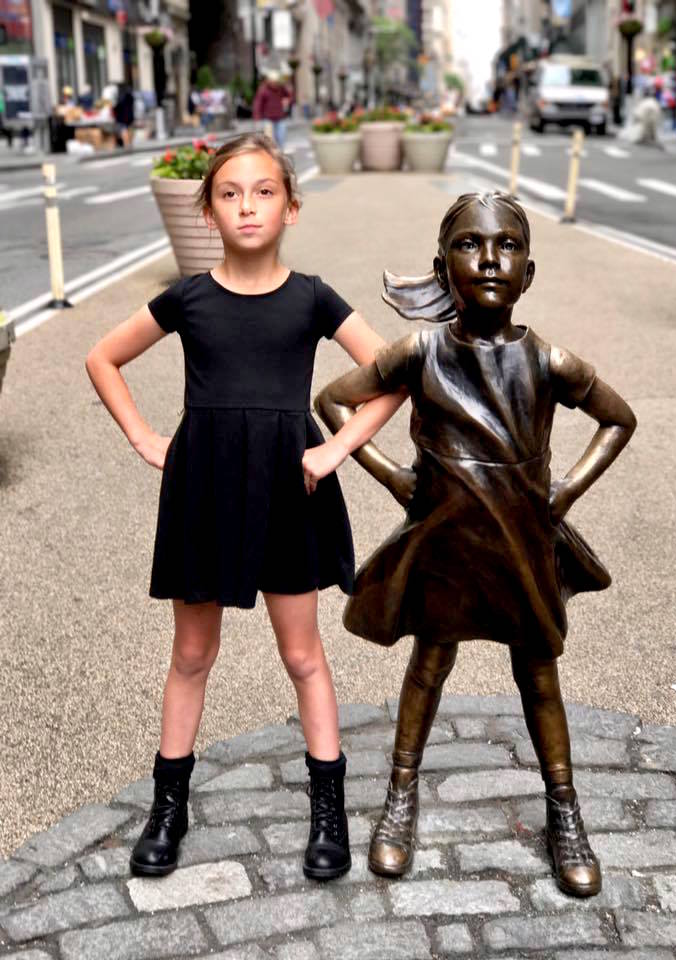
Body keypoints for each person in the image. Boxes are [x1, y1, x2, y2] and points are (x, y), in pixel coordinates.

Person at [85, 133, 402, 882]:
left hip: (290, 493)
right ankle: (170, 806)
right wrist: (145, 438)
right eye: (229, 193)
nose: (247, 205)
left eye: (263, 191)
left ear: (291, 207)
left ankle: (328, 810)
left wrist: (335, 449)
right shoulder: (188, 299)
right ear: (208, 210)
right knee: (192, 654)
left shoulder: (313, 297)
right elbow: (103, 357)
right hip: (205, 490)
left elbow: (394, 372)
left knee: (302, 654)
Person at [303, 191, 637, 899]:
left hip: (520, 539)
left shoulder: (548, 359)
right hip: (446, 539)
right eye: (469, 245)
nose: (489, 259)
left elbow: (618, 419)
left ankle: (564, 810)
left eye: (507, 246)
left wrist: (565, 492)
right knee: (429, 663)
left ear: (530, 271)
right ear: (442, 263)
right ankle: (400, 796)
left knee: (539, 676)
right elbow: (332, 401)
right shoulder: (420, 349)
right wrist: (395, 478)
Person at [252, 69, 293, 149]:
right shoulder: (263, 90)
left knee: (281, 138)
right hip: (268, 118)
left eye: (276, 82)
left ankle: (280, 155)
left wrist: (288, 100)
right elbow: (258, 104)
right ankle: (272, 155)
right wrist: (257, 117)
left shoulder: (281, 88)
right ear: (269, 81)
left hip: (280, 117)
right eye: (273, 82)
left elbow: (290, 96)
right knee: (269, 140)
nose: (275, 84)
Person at [114, 84, 135, 149]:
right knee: (129, 129)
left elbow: (117, 107)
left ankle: (126, 144)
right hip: (130, 115)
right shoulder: (131, 96)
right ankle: (130, 143)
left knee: (123, 129)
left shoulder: (120, 97)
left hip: (122, 117)